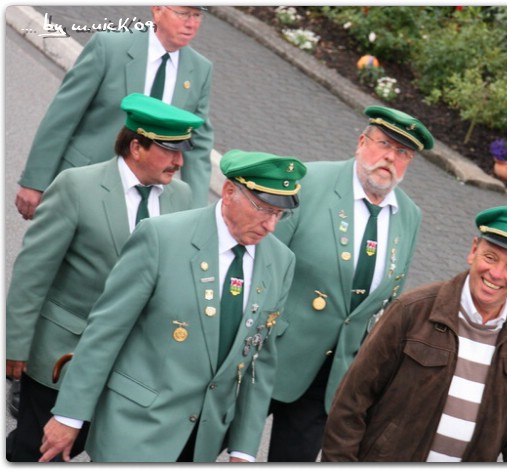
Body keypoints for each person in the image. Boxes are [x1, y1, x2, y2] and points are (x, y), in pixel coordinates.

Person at [37, 150, 307, 462]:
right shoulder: (161, 237)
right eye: (264, 209)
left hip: (201, 441)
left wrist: (244, 449)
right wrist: (70, 415)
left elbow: (260, 360)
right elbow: (106, 331)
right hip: (137, 426)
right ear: (229, 192)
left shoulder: (280, 261)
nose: (270, 225)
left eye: (279, 214)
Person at [5, 93, 202, 462]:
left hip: (131, 362)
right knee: (37, 451)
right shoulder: (77, 186)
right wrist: (15, 345)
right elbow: (34, 271)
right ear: (136, 147)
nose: (179, 161)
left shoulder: (182, 196)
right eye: (170, 150)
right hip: (63, 354)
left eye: (182, 151)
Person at [321, 205, 507, 462]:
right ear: (473, 251)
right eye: (490, 257)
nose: (497, 274)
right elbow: (352, 399)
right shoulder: (411, 310)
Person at [267, 105, 434, 461]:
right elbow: (266, 265)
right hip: (271, 354)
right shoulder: (311, 181)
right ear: (361, 143)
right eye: (384, 144)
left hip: (329, 378)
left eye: (403, 153)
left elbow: (390, 300)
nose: (390, 158)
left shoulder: (409, 215)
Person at [15, 5, 214, 219]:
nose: (191, 23)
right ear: (157, 10)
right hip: (83, 182)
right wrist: (35, 182)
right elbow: (63, 116)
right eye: (183, 14)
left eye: (197, 15)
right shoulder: (109, 46)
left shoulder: (200, 70)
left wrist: (195, 216)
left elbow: (198, 145)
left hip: (142, 199)